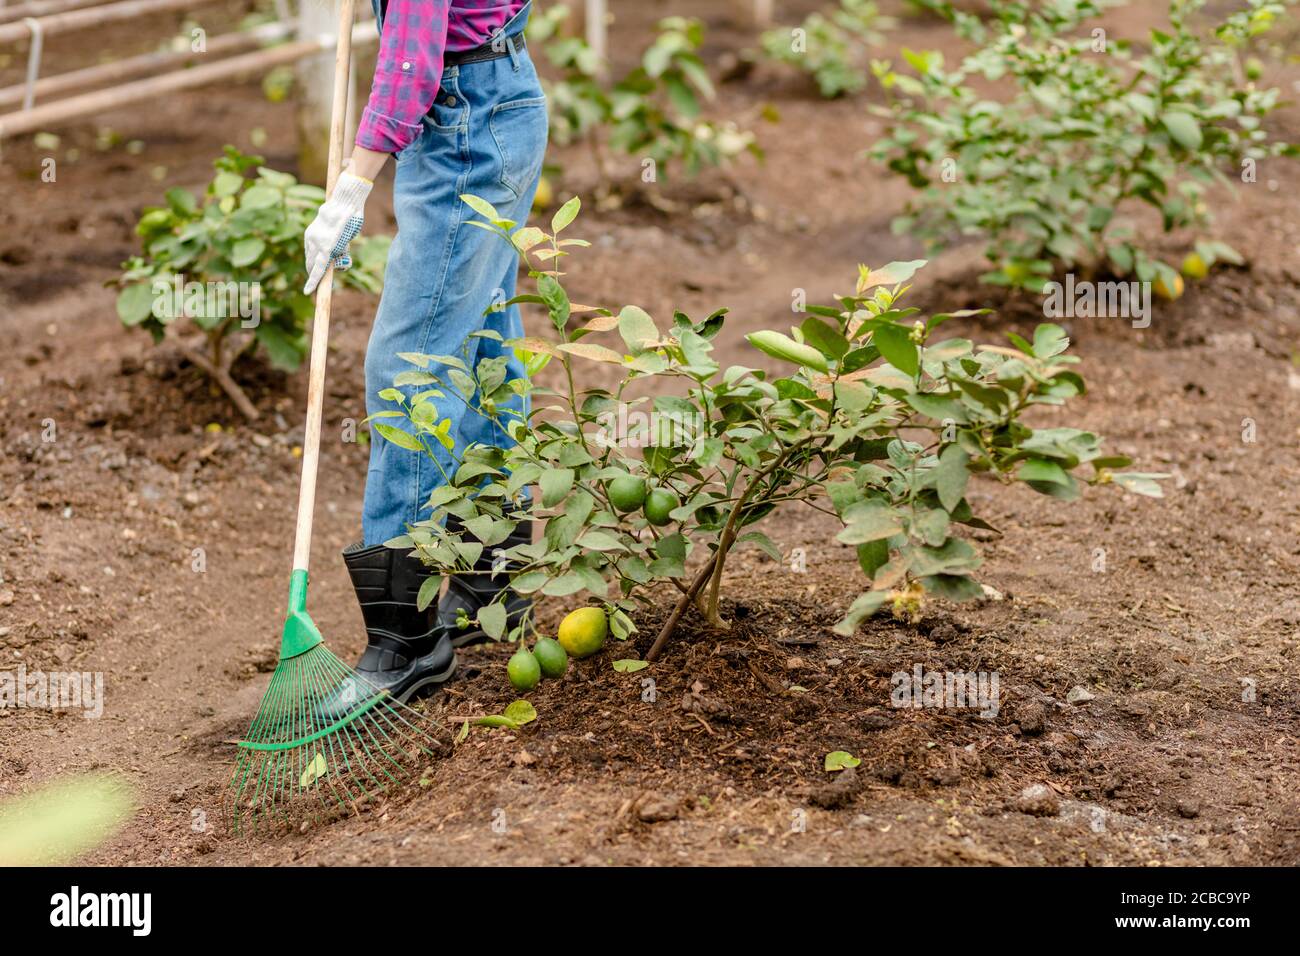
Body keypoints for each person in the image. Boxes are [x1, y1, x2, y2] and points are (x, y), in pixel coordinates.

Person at [302, 0, 545, 707]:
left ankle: (404, 642)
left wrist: (351, 187)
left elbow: (410, 65)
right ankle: (486, 581)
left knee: (406, 366)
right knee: (482, 339)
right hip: (502, 98)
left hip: (464, 124)